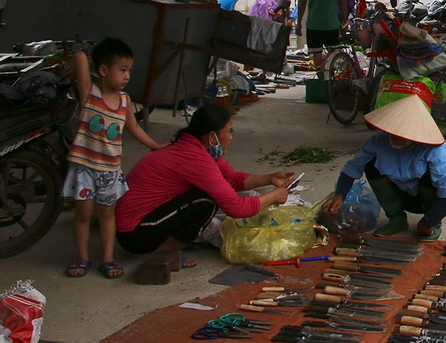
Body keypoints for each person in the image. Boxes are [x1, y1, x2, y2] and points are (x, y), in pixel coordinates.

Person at [115, 105, 294, 257]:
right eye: (228, 131)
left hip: (148, 219)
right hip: (135, 234)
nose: (231, 137)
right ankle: (169, 249)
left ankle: (174, 241)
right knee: (205, 201)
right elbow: (237, 208)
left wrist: (270, 178)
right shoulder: (193, 157)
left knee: (211, 193)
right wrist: (274, 196)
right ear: (212, 137)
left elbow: (232, 179)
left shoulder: (196, 147)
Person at [63, 38, 163, 278]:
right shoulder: (90, 93)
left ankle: (108, 259)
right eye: (122, 70)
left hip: (109, 170)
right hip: (84, 168)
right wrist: (81, 51)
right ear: (103, 71)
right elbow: (80, 62)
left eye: (129, 70)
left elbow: (134, 128)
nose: (127, 76)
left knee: (107, 214)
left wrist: (155, 145)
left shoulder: (125, 100)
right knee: (84, 214)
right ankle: (82, 258)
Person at [323, 96, 446, 241]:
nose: (397, 137)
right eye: (394, 132)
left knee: (432, 177)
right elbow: (352, 167)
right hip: (400, 195)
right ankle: (397, 218)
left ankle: (434, 223)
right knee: (370, 165)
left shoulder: (435, 150)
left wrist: (428, 222)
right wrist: (340, 194)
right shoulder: (377, 142)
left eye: (404, 134)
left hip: (428, 200)